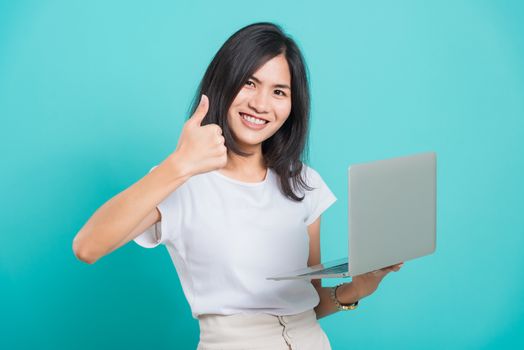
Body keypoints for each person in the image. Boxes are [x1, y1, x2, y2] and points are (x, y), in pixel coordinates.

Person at [73, 22, 403, 350]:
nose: (261, 104)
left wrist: (359, 286)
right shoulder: (182, 180)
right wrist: (179, 164)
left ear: (293, 105)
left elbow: (310, 302)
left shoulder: (303, 182)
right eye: (249, 83)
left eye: (279, 92)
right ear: (222, 85)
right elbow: (87, 247)